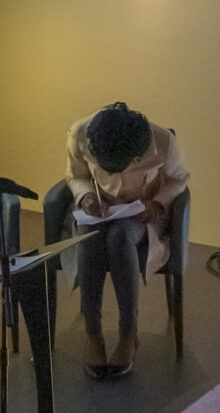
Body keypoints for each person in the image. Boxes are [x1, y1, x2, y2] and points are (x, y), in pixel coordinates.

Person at [64, 101, 188, 380]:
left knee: (120, 237)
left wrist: (156, 204)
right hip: (101, 209)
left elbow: (178, 180)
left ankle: (128, 332)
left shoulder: (163, 142)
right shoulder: (78, 134)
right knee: (90, 236)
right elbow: (76, 177)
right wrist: (86, 197)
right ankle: (92, 331)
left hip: (144, 212)